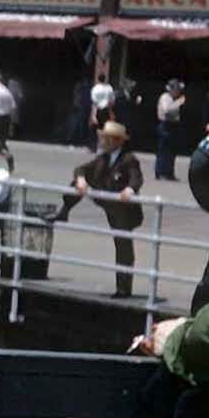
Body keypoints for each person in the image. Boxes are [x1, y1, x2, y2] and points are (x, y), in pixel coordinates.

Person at [55, 119, 144, 297]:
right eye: (104, 138)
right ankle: (64, 211)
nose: (104, 141)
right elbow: (81, 168)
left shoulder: (128, 158)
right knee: (76, 182)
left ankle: (123, 288)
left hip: (121, 206)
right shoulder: (103, 158)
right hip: (105, 196)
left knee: (123, 246)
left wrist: (129, 190)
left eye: (108, 138)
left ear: (118, 141)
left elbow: (136, 179)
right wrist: (81, 179)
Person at [155, 80, 185, 182]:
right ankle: (161, 172)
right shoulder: (165, 97)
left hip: (173, 126)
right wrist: (178, 103)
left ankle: (169, 173)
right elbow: (166, 110)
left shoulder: (173, 98)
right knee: (163, 150)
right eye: (177, 89)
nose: (178, 91)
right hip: (165, 125)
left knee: (172, 151)